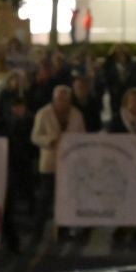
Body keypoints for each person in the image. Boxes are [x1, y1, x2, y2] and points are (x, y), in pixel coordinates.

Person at [32, 85, 84, 238]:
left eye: (65, 99)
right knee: (45, 197)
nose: (62, 102)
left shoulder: (76, 115)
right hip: (50, 163)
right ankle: (38, 230)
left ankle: (63, 229)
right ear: (54, 99)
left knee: (66, 197)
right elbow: (35, 136)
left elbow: (82, 134)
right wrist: (49, 140)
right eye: (59, 99)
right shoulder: (43, 113)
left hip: (69, 163)